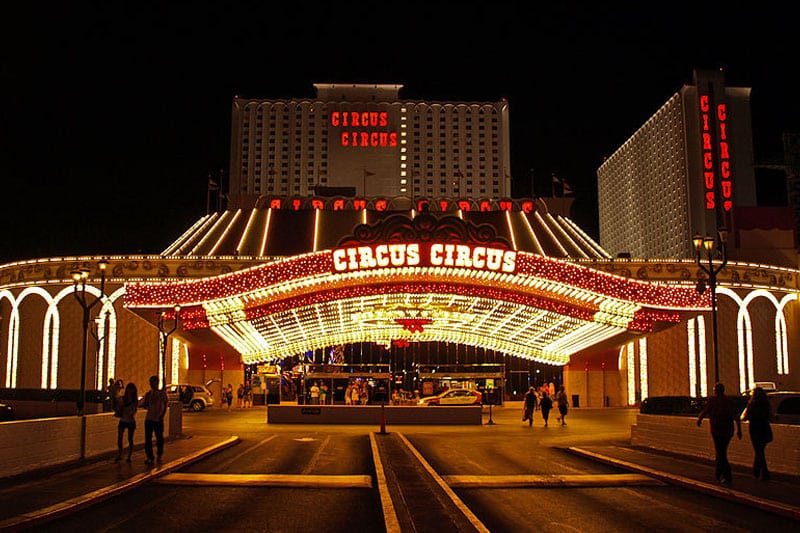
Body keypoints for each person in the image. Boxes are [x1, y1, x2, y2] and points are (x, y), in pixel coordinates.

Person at [697, 382, 742, 485]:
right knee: (721, 451)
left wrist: (699, 420)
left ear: (716, 390)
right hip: (728, 430)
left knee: (721, 452)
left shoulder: (713, 401)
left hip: (717, 430)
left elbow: (705, 411)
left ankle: (725, 475)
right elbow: (736, 416)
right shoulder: (729, 401)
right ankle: (719, 473)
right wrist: (739, 430)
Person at [741, 386, 773, 481]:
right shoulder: (766, 404)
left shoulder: (752, 404)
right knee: (760, 450)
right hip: (765, 428)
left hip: (755, 428)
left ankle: (763, 472)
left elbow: (745, 417)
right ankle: (757, 470)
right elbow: (771, 417)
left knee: (758, 451)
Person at [142, 375, 168, 465]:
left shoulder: (162, 394)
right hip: (149, 418)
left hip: (157, 418)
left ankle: (159, 454)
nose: (151, 384)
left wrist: (162, 415)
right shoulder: (149, 394)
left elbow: (165, 405)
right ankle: (150, 456)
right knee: (148, 438)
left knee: (159, 437)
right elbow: (145, 405)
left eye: (153, 382)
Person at [115, 381, 138, 462]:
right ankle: (120, 453)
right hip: (123, 420)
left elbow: (133, 411)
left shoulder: (134, 401)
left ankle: (129, 455)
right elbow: (118, 408)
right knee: (120, 437)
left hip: (130, 421)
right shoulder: (123, 399)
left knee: (130, 438)